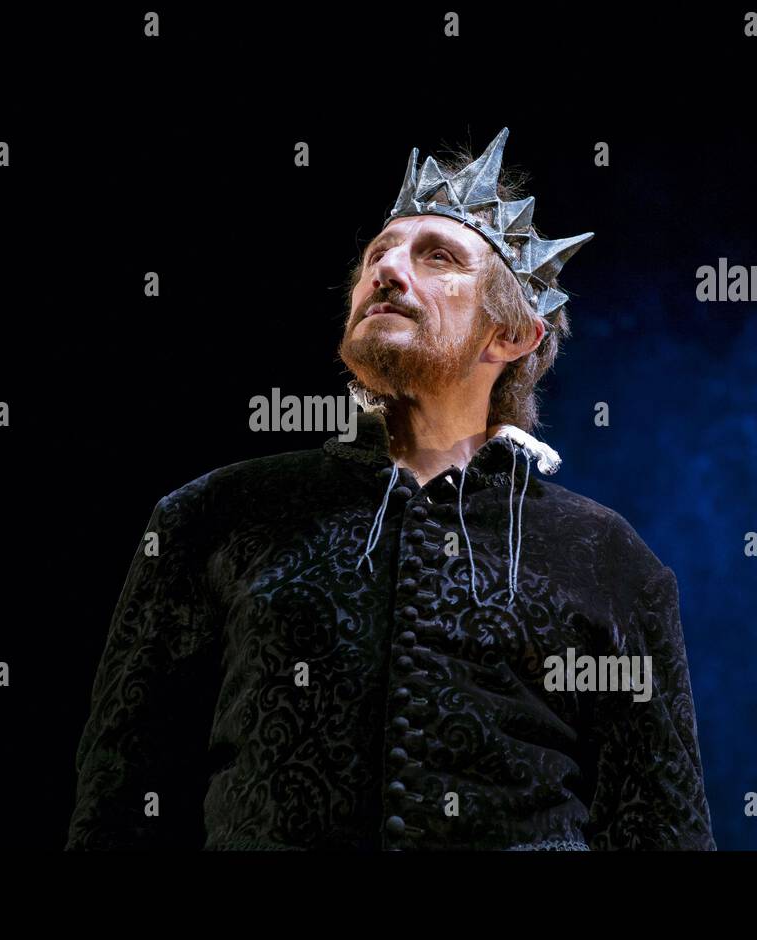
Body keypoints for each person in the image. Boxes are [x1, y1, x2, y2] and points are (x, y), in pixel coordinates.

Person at [66, 127, 716, 850]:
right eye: (377, 255)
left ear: (512, 337)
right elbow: (121, 805)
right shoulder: (213, 516)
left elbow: (661, 828)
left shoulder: (607, 557)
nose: (388, 271)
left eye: (437, 256)